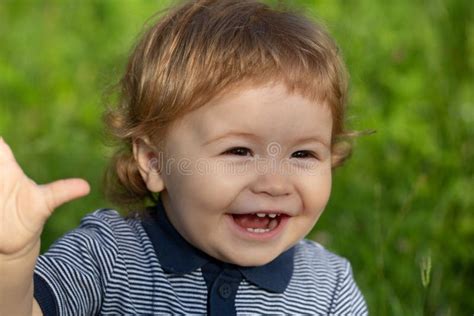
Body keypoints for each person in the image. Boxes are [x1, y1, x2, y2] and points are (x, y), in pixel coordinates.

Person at [0, 0, 368, 314]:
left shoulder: (328, 288)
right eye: (239, 151)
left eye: (302, 153)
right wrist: (12, 261)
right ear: (155, 161)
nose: (274, 183)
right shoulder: (109, 259)